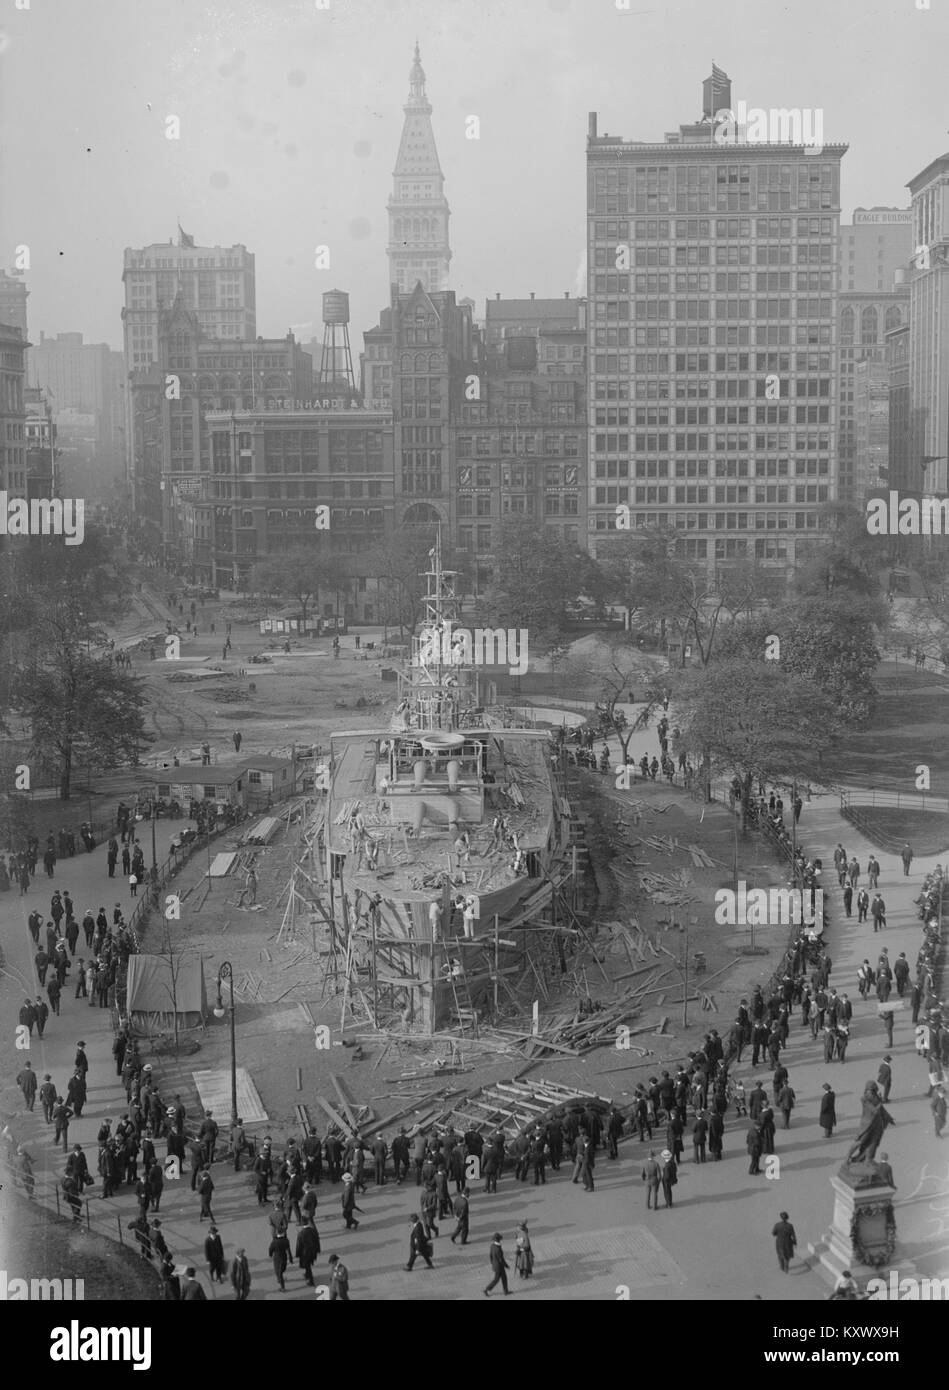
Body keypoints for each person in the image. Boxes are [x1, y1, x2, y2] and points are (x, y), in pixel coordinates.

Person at [484, 1232, 510, 1296]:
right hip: (499, 1267)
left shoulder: (492, 1246)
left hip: (495, 1265)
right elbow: (501, 1259)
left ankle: (505, 1291)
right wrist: (506, 1265)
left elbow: (491, 1256)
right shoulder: (498, 1248)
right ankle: (487, 1289)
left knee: (504, 1278)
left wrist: (493, 1263)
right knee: (496, 1279)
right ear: (498, 1239)